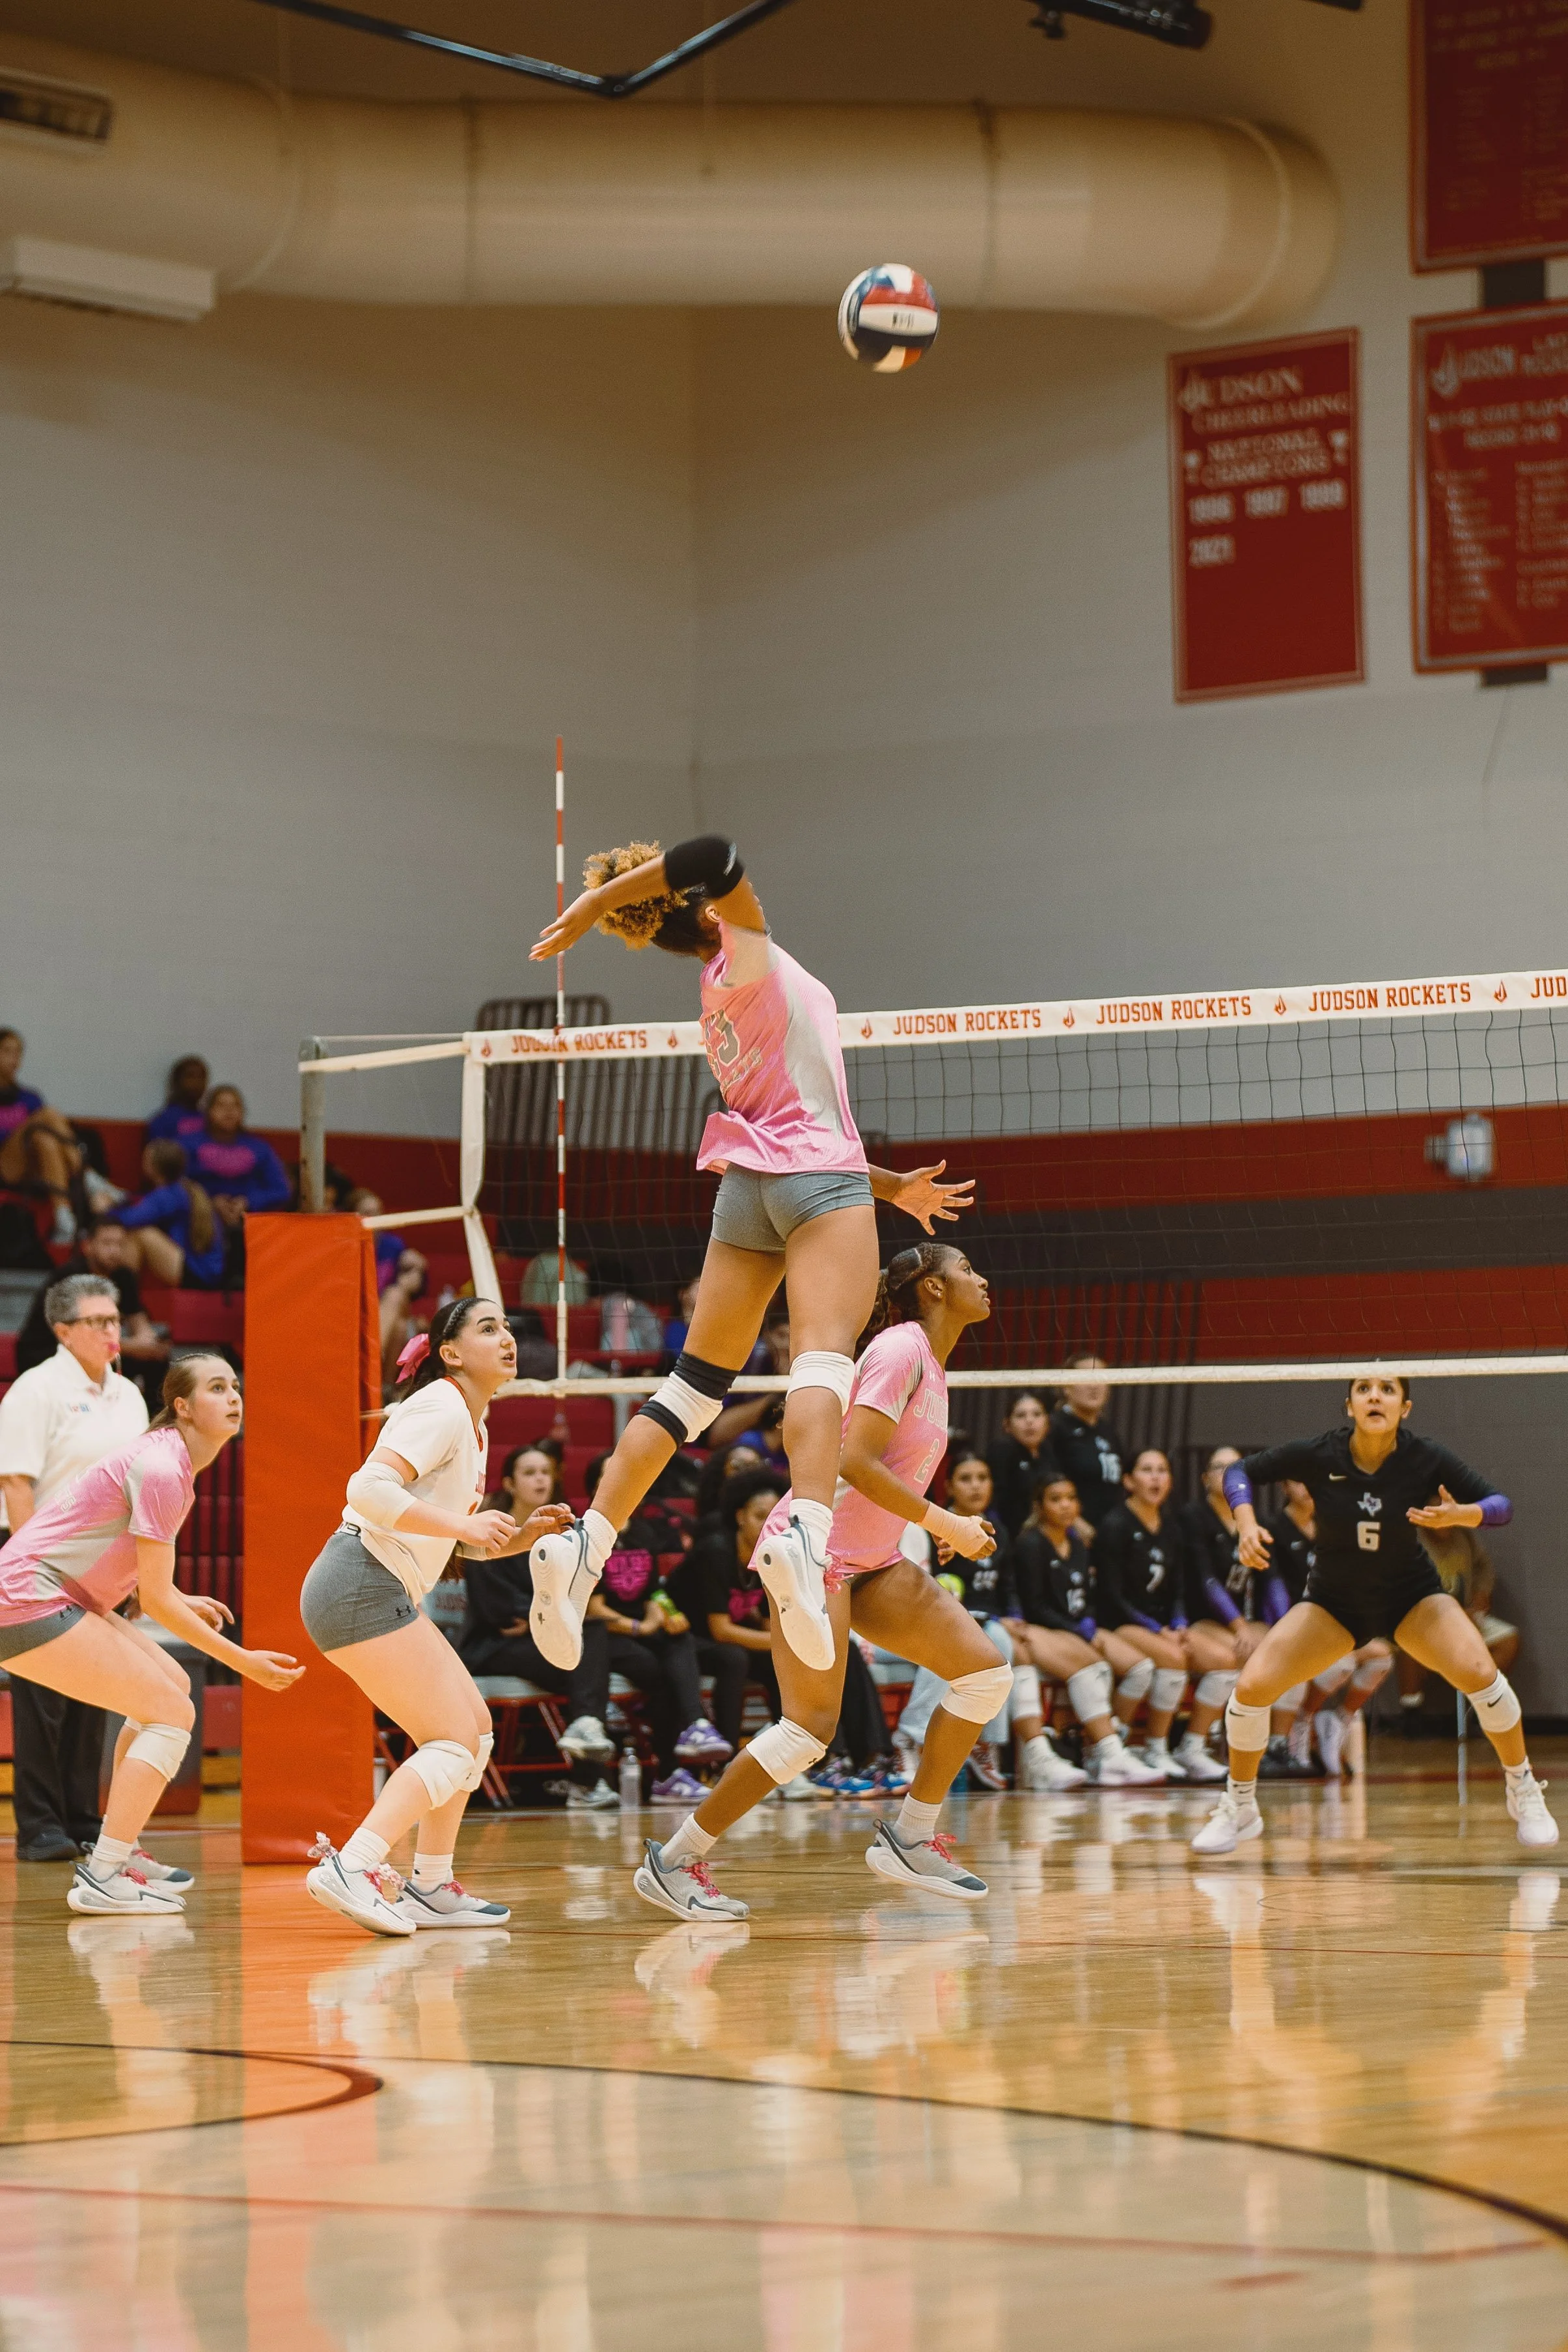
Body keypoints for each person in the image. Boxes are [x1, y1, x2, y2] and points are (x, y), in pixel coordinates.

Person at [526, 833, 973, 1682]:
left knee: (693, 1387)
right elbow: (716, 853)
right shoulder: (745, 949)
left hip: (752, 1186)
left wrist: (890, 1187)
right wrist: (594, 902)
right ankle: (805, 1537)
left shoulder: (715, 989)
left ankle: (590, 1539)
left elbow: (793, 1108)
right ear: (706, 914)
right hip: (815, 1180)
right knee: (823, 1363)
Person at [633, 1242, 1010, 1920]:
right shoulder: (900, 1348)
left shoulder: (930, 1361)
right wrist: (945, 1522)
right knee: (808, 1730)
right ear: (931, 1287)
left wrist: (928, 1523)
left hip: (874, 1558)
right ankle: (675, 1860)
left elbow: (883, 1469)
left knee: (986, 1674)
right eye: (966, 1268)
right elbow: (854, 1460)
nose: (981, 1278)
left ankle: (912, 1837)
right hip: (816, 1549)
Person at [1191, 1375, 1558, 1856]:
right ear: (1350, 1406)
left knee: (1482, 1675)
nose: (1374, 1396)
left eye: (1387, 1389)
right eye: (1363, 1389)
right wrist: (1245, 1522)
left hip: (1411, 1597)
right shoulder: (1321, 1453)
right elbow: (1238, 1471)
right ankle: (1239, 1805)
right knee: (1251, 1688)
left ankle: (1523, 1787)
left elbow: (1501, 1506)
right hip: (1335, 1602)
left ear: (1405, 1408)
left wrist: (1464, 1515)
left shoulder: (1424, 1456)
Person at [300, 1299, 576, 1935]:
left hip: (377, 1583)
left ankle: (430, 1885)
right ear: (450, 1352)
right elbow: (367, 1489)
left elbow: (454, 1537)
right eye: (487, 1328)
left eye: (507, 1328)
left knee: (473, 1734)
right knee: (453, 1740)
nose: (506, 1338)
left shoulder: (473, 1423)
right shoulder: (441, 1405)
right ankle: (353, 1866)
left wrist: (514, 1537)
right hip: (360, 1579)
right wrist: (464, 1524)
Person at [0, 1353, 302, 1915]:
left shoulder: (171, 1462)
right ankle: (104, 1872)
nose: (233, 1397)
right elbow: (157, 1603)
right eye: (217, 1387)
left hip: (52, 1593)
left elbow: (138, 1568)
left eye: (235, 1386)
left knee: (171, 1689)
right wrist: (243, 1661)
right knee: (172, 1711)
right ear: (182, 1406)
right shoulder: (163, 1467)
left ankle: (122, 1850)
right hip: (28, 1599)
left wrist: (180, 1596)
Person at [0, 1273, 151, 1861]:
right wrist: (33, 1567)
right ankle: (40, 1827)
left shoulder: (130, 1394)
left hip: (104, 1564)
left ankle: (85, 1818)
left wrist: (137, 1569)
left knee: (95, 1691)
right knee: (42, 1696)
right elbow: (16, 1483)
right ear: (63, 1331)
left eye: (115, 1319)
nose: (113, 1330)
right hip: (40, 1563)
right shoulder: (36, 1390)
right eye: (98, 1321)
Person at [893, 1450, 1083, 1793]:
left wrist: (1013, 1616)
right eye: (966, 1479)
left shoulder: (999, 1531)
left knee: (1003, 1641)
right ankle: (910, 1736)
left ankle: (983, 1742)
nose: (976, 1486)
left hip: (987, 1619)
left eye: (983, 1478)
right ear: (950, 1487)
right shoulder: (936, 1527)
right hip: (941, 1617)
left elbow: (1006, 1585)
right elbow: (927, 1584)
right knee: (958, 1644)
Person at [459, 1446, 620, 1808]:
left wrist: (539, 1618)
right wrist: (546, 1615)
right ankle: (589, 1777)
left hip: (542, 1637)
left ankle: (590, 1740)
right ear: (510, 1484)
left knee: (602, 1644)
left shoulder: (566, 1533)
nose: (540, 1479)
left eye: (546, 1471)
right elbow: (499, 1613)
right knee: (585, 1665)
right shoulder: (492, 1529)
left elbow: (583, 1593)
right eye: (530, 1473)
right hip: (492, 1647)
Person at [582, 1456, 732, 1797]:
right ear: (595, 1487)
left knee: (680, 1638)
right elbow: (593, 1608)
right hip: (603, 1635)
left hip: (639, 1626)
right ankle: (668, 1772)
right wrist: (639, 1627)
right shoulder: (586, 1533)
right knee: (661, 1672)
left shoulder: (643, 1532)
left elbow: (652, 1590)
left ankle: (695, 1726)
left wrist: (663, 1614)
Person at [1010, 1471, 1164, 1786]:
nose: (1065, 1505)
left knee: (1139, 1667)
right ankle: (1107, 1752)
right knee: (1094, 1668)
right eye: (1056, 1500)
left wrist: (1089, 1623)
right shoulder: (1031, 1544)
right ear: (1040, 1506)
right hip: (1041, 1627)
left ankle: (1106, 1747)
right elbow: (1034, 1605)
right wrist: (1079, 1631)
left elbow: (1089, 1597)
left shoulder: (1078, 1544)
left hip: (1074, 1625)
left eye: (1071, 1498)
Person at [1092, 1449, 1228, 1782]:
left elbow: (1179, 1587)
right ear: (1129, 1481)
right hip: (1119, 1621)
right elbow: (1111, 1595)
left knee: (1225, 1663)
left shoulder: (1171, 1527)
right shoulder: (1115, 1525)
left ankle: (1192, 1747)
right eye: (1147, 1470)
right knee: (1173, 1658)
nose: (1156, 1478)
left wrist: (1179, 1623)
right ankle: (1151, 1747)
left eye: (1162, 1470)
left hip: (1163, 1624)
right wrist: (1157, 1629)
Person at [671, 1463, 784, 1764]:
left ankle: (793, 1756)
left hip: (726, 1641)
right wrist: (782, 1643)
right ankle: (726, 1758)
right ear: (740, 1516)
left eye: (775, 1518)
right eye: (760, 1516)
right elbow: (721, 1630)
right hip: (684, 1640)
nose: (768, 1526)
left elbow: (768, 1623)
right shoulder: (717, 1552)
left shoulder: (773, 1555)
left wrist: (787, 1646)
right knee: (735, 1658)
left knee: (782, 1664)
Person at [15, 1218, 170, 1402]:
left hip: (96, 1350)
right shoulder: (70, 1276)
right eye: (107, 1243)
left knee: (156, 1360)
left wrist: (149, 1344)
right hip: (48, 1350)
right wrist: (132, 1348)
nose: (114, 1251)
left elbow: (140, 1322)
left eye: (120, 1244)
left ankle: (151, 1417)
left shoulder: (124, 1275)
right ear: (88, 1246)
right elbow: (80, 1338)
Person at [185, 1087, 291, 1277]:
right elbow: (176, 1186)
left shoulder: (260, 1148)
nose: (229, 1112)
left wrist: (248, 1202)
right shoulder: (188, 1145)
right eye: (222, 1105)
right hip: (201, 1218)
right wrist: (209, 1202)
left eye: (235, 1106)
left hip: (249, 1220)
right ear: (208, 1111)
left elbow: (281, 1190)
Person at [0, 1028, 83, 1245]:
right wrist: (22, 1131)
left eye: (18, 1052)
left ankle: (64, 1218)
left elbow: (49, 1134)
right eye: (7, 1051)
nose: (14, 1058)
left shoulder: (30, 1097)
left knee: (45, 1141)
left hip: (34, 1168)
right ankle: (86, 1173)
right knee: (48, 1115)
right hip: (6, 1167)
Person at [117, 1142, 227, 1290]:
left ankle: (126, 1296)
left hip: (199, 1273)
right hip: (207, 1271)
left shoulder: (169, 1194)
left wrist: (106, 1211)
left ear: (152, 1166)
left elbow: (129, 1220)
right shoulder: (185, 1188)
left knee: (142, 1233)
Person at [1047, 1357, 1130, 1534]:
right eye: (1086, 1378)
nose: (1094, 1386)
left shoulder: (1109, 1432)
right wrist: (1075, 1523)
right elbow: (1046, 1481)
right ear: (1066, 1387)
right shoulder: (1054, 1427)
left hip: (1108, 1532)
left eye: (1100, 1378)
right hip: (1071, 1532)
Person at [985, 1392, 1058, 1537]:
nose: (1029, 1421)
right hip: (1008, 1535)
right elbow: (993, 1505)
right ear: (1007, 1425)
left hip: (1043, 1536)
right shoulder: (1002, 1450)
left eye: (1037, 1414)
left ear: (1047, 1423)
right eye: (1021, 1416)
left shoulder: (1049, 1451)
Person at [145, 1057, 210, 1150]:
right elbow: (159, 1157)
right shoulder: (163, 1121)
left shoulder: (211, 1119)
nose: (197, 1083)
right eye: (190, 1076)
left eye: (201, 1077)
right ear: (177, 1082)